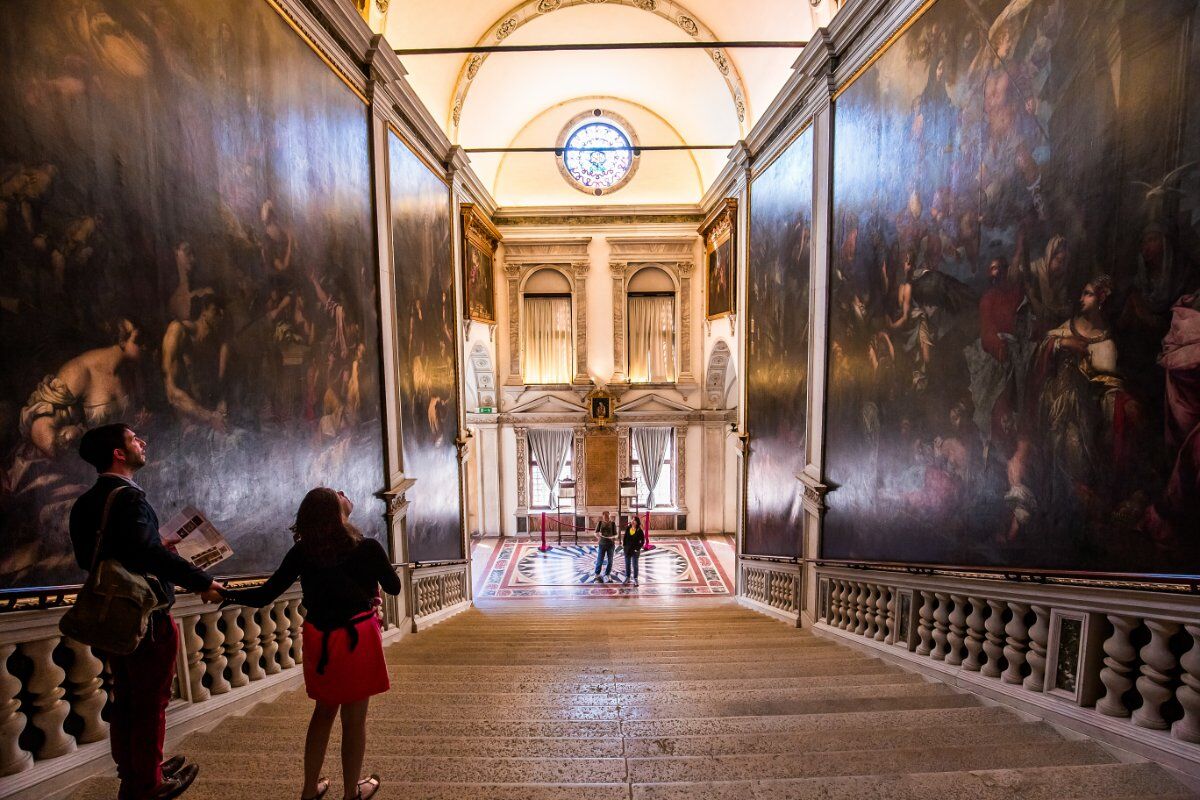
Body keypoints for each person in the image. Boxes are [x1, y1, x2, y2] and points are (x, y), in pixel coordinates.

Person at [69, 423, 225, 800]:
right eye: (134, 438)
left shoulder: (85, 502)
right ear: (118, 454)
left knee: (126, 698)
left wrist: (154, 543)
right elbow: (145, 555)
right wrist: (202, 581)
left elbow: (90, 557)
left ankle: (135, 770)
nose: (143, 441)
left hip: (112, 616)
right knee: (151, 702)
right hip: (147, 617)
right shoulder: (130, 499)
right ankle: (147, 784)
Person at [220, 488, 400, 800]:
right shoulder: (366, 546)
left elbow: (265, 594)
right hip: (357, 638)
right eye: (337, 494)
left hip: (321, 640)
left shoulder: (303, 551)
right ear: (337, 510)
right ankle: (350, 793)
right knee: (354, 720)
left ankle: (308, 790)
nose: (344, 493)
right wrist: (373, 572)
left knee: (323, 713)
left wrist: (225, 593)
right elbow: (394, 587)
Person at [592, 511, 617, 582]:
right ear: (603, 516)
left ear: (609, 515)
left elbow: (616, 534)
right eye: (605, 515)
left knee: (610, 561)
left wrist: (613, 537)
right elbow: (595, 533)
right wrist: (598, 537)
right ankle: (597, 574)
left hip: (610, 544)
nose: (606, 517)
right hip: (602, 544)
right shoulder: (600, 523)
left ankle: (607, 574)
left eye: (607, 515)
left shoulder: (612, 523)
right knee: (600, 560)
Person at [622, 515, 645, 586]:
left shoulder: (639, 531)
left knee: (635, 565)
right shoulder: (628, 528)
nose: (632, 521)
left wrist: (637, 549)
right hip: (627, 550)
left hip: (635, 550)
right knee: (627, 564)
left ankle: (635, 578)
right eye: (632, 519)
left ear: (637, 522)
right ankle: (627, 577)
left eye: (634, 520)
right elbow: (625, 538)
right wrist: (624, 546)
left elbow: (642, 541)